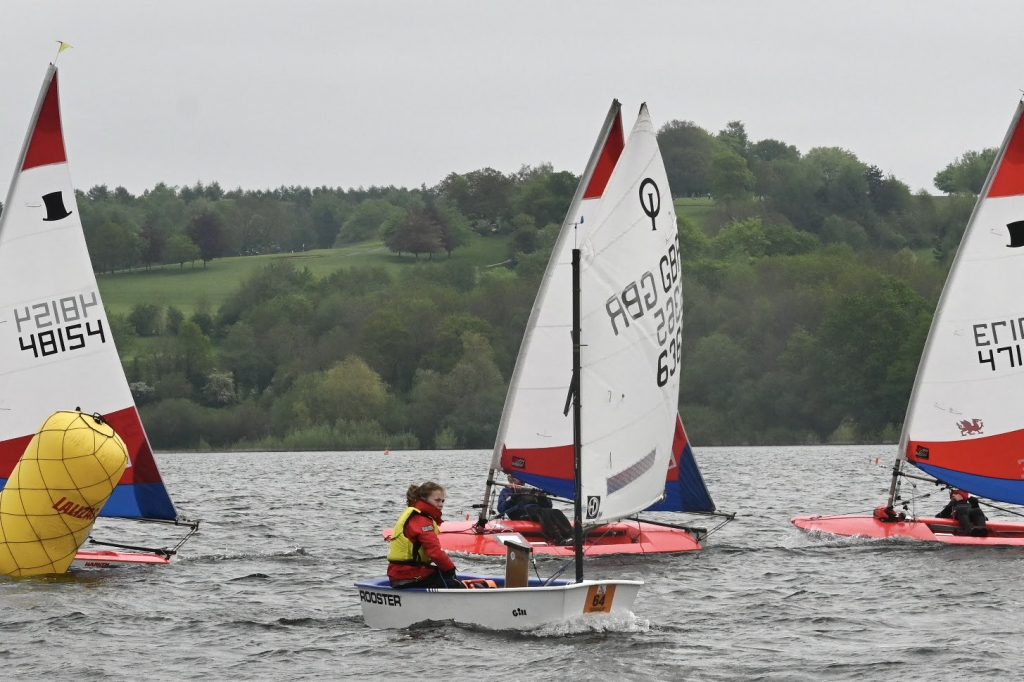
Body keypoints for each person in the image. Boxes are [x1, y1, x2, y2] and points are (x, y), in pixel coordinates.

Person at [387, 481, 465, 588]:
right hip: (408, 574)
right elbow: (434, 551)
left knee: (445, 575)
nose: (441, 504)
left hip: (402, 572)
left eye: (442, 501)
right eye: (437, 500)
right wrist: (451, 568)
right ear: (424, 499)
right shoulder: (421, 519)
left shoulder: (416, 514)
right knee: (455, 584)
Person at [497, 475, 573, 545]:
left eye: (515, 476)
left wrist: (542, 498)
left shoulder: (531, 489)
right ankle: (557, 538)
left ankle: (571, 534)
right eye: (510, 477)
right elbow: (501, 508)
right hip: (520, 513)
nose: (512, 478)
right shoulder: (507, 491)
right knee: (542, 512)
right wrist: (512, 499)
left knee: (556, 511)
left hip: (536, 510)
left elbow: (548, 506)